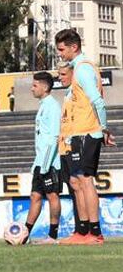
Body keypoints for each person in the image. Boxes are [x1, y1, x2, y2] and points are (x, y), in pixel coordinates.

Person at [55, 28, 115, 245]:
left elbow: (97, 101)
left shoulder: (82, 69)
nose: (60, 54)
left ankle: (95, 233)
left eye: (62, 49)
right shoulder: (77, 69)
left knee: (86, 180)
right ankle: (82, 231)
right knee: (76, 181)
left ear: (74, 47)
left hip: (86, 132)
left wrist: (104, 128)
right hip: (77, 134)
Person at [25, 71, 62, 245]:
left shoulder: (53, 106)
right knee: (35, 196)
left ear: (45, 87)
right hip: (40, 161)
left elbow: (54, 137)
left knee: (52, 195)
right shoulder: (42, 106)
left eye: (35, 85)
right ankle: (24, 234)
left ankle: (53, 236)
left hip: (51, 162)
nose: (32, 88)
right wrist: (37, 163)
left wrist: (46, 164)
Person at [56, 63, 82, 235]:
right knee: (72, 189)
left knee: (78, 186)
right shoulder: (67, 94)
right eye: (59, 74)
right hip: (64, 148)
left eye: (63, 74)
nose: (60, 77)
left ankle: (85, 228)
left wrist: (73, 141)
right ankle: (78, 229)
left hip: (74, 145)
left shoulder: (77, 93)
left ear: (73, 74)